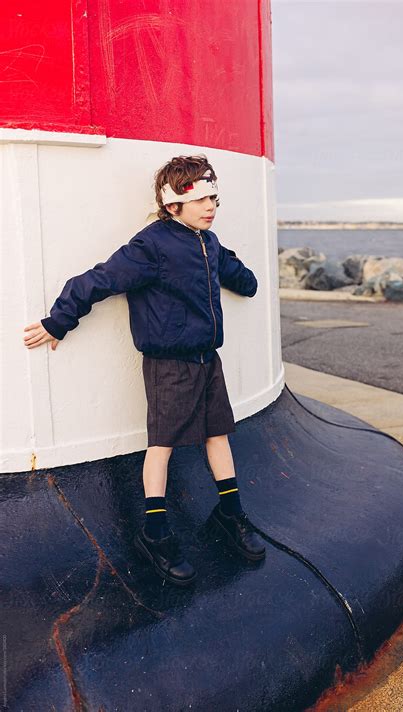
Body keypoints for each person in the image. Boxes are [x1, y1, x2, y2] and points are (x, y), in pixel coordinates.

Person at [23, 153, 266, 587]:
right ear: (173, 204)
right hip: (169, 364)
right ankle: (154, 531)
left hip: (208, 359)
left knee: (218, 434)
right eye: (202, 199)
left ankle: (231, 514)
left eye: (215, 197)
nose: (211, 206)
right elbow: (97, 280)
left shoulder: (207, 241)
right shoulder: (152, 245)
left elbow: (228, 269)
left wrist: (246, 281)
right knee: (163, 444)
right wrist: (57, 321)